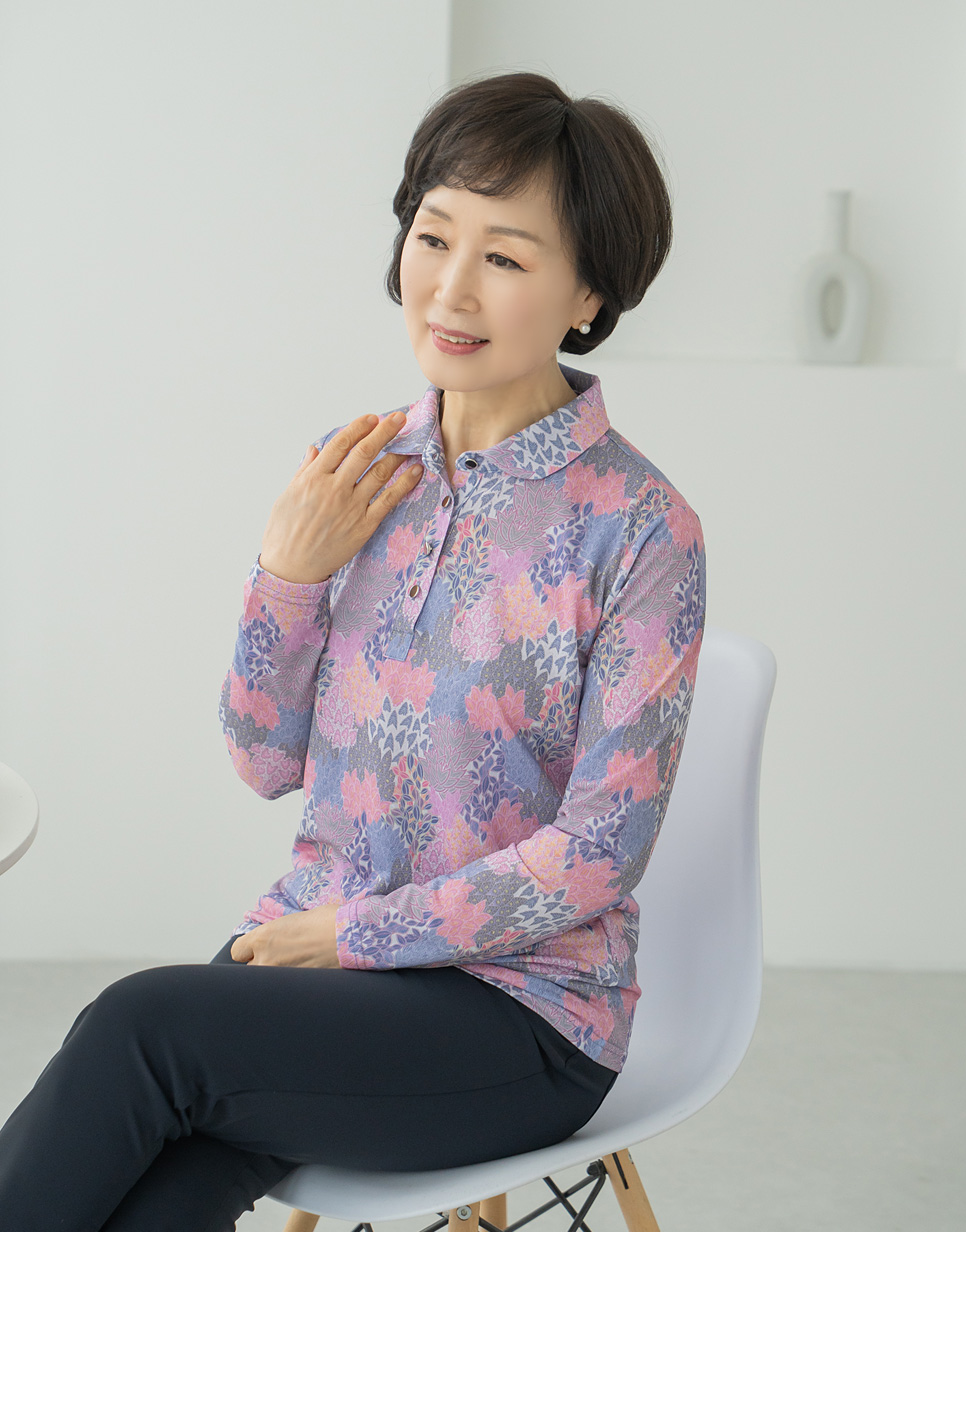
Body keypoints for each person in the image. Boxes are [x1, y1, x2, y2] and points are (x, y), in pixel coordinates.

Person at [0, 70, 705, 1231]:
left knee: (142, 1028)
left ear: (588, 292)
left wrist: (351, 933)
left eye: (505, 256)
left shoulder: (640, 529)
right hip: (322, 963)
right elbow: (261, 760)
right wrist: (287, 572)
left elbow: (595, 854)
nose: (451, 287)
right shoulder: (357, 468)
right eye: (434, 235)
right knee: (157, 1190)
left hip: (520, 1015)